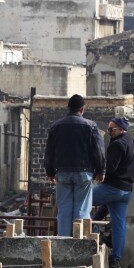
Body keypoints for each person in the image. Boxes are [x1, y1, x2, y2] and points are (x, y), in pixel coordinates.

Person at [44, 94, 106, 237]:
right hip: (84, 173)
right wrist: (101, 170)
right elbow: (99, 151)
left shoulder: (56, 126)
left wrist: (50, 172)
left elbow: (49, 152)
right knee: (82, 210)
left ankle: (63, 242)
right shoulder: (91, 126)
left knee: (64, 210)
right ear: (82, 109)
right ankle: (80, 242)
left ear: (68, 108)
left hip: (62, 173)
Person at [92, 117, 134, 267]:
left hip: (112, 188)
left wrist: (97, 171)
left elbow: (110, 168)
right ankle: (116, 258)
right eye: (108, 129)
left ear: (121, 130)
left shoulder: (117, 144)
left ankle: (91, 234)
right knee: (119, 224)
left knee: (82, 200)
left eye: (111, 129)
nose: (108, 132)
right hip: (126, 191)